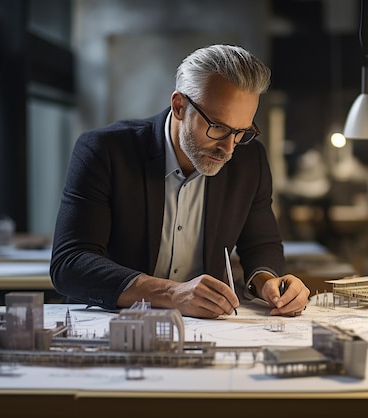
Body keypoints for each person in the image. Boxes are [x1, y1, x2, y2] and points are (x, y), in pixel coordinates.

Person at [50, 44, 310, 319]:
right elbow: (70, 264)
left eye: (241, 131)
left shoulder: (249, 159)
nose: (229, 148)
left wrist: (268, 281)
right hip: (114, 324)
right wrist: (172, 294)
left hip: (206, 328)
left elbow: (261, 244)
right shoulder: (104, 151)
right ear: (179, 106)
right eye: (218, 127)